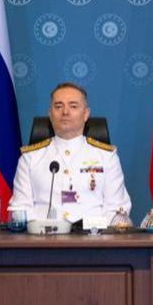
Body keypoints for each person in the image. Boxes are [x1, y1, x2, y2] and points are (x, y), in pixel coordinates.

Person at [11, 82, 131, 229]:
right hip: (43, 242)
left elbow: (116, 209)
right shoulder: (30, 158)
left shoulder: (107, 157)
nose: (65, 112)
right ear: (50, 113)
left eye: (73, 106)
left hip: (94, 243)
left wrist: (93, 230)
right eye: (58, 106)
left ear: (86, 114)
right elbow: (20, 209)